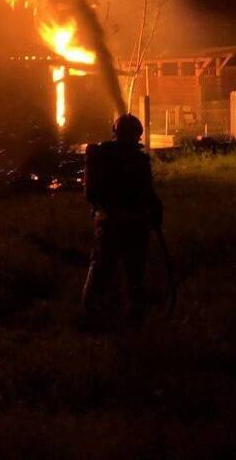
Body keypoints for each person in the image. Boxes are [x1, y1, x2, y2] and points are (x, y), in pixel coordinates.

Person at [82, 113, 163, 326]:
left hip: (114, 223)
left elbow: (92, 194)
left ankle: (96, 311)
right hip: (128, 223)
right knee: (130, 270)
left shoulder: (101, 155)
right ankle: (125, 313)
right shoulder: (136, 159)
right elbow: (147, 193)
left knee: (104, 267)